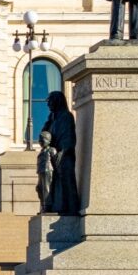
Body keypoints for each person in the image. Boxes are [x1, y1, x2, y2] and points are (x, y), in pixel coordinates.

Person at [40, 87, 80, 217]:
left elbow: (68, 137)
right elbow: (44, 134)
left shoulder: (66, 116)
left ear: (57, 102)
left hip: (64, 156)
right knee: (52, 184)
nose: (48, 104)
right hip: (53, 155)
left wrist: (61, 152)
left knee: (66, 182)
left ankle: (70, 208)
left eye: (50, 102)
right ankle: (57, 206)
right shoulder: (53, 118)